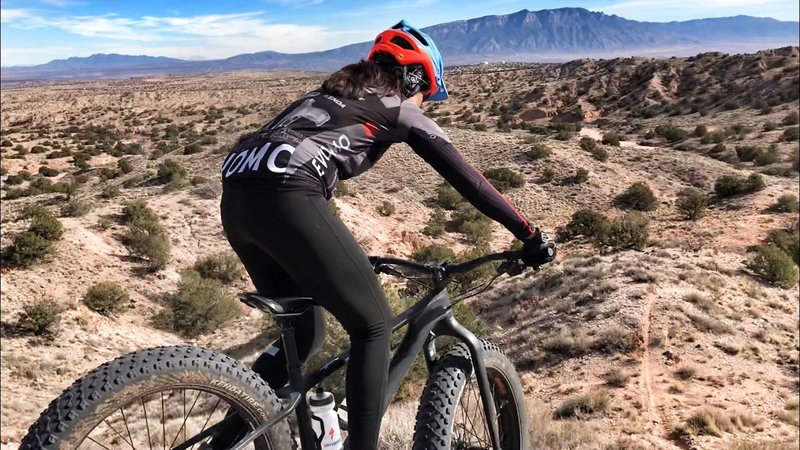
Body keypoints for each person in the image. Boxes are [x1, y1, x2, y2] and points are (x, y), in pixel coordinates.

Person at [215, 20, 555, 450]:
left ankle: (224, 441)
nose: (424, 105)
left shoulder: (326, 97)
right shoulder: (398, 106)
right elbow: (471, 180)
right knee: (373, 326)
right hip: (288, 197)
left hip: (237, 197)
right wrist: (528, 234)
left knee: (304, 335)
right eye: (427, 95)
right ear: (416, 78)